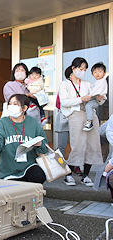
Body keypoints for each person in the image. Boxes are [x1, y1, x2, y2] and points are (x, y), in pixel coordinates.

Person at [59, 57, 104, 187]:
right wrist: (80, 99)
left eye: (84, 69)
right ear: (73, 68)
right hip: (75, 114)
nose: (82, 71)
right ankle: (68, 174)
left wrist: (100, 99)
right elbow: (64, 102)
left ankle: (85, 175)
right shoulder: (65, 84)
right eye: (80, 68)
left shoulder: (88, 83)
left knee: (92, 144)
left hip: (90, 114)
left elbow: (97, 99)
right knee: (78, 144)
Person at [0, 94, 48, 183]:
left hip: (29, 166)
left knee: (39, 175)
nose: (11, 107)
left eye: (15, 104)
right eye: (10, 104)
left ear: (24, 108)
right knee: (14, 191)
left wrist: (40, 144)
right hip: (9, 171)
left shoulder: (32, 122)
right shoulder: (2, 123)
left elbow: (45, 147)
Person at [83, 62, 108, 131]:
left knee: (88, 106)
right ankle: (89, 121)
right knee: (87, 105)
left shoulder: (102, 81)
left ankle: (89, 122)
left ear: (104, 73)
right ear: (92, 74)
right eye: (95, 72)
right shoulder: (94, 83)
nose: (97, 74)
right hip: (94, 98)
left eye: (100, 71)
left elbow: (98, 90)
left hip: (98, 99)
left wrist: (90, 96)